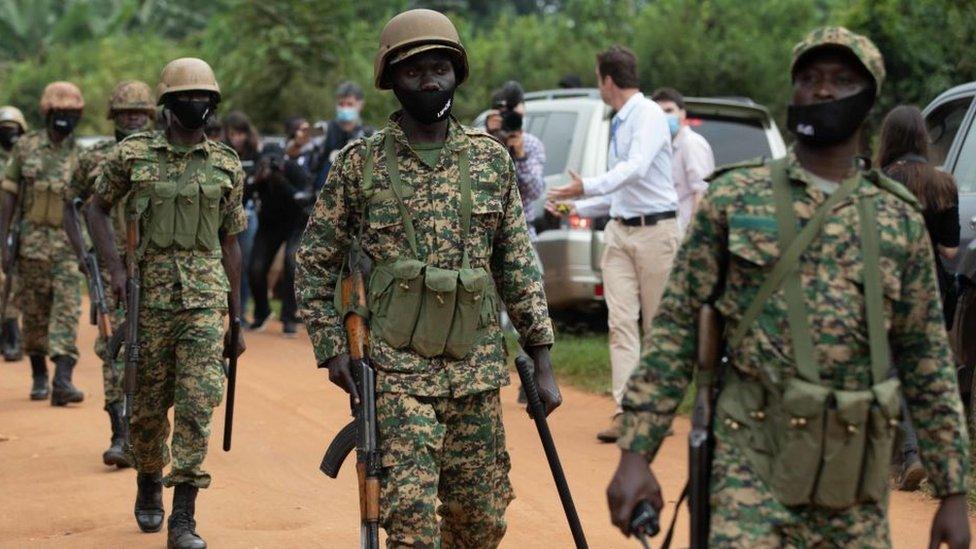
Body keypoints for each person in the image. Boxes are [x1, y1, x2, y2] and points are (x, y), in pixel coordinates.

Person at [606, 27, 971, 548]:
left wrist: (954, 492)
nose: (822, 91)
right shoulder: (736, 200)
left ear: (868, 99)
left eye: (841, 80)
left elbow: (927, 362)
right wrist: (636, 453)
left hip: (853, 488)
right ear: (791, 91)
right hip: (749, 470)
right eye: (809, 79)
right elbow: (674, 333)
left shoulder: (898, 221)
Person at [297, 9, 562, 547]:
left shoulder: (490, 162)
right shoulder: (359, 165)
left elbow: (515, 263)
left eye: (439, 68)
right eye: (414, 71)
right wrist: (332, 349)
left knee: (481, 523)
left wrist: (543, 356)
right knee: (411, 524)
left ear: (457, 74)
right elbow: (315, 261)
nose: (428, 81)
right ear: (392, 80)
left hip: (476, 371)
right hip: (395, 373)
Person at [89, 57, 247, 549]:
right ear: (167, 105)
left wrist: (235, 318)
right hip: (148, 302)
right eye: (185, 99)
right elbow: (95, 208)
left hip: (203, 303)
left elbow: (231, 241)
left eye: (203, 99)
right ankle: (147, 480)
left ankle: (183, 517)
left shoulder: (225, 163)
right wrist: (115, 269)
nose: (195, 106)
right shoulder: (132, 155)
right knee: (148, 411)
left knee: (198, 405)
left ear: (213, 105)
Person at [547, 45, 678, 443]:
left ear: (607, 79)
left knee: (657, 326)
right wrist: (576, 203)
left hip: (657, 232)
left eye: (597, 77)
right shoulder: (620, 120)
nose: (597, 85)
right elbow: (621, 189)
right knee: (621, 324)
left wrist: (585, 184)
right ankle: (625, 410)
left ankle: (656, 411)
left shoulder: (650, 114)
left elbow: (634, 169)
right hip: (621, 231)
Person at [62, 80, 155, 469]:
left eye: (139, 112)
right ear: (113, 116)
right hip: (110, 267)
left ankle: (147, 433)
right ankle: (120, 431)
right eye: (125, 112)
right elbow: (72, 204)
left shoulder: (162, 154)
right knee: (114, 349)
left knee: (153, 353)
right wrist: (84, 253)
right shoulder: (92, 158)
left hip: (156, 267)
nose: (132, 118)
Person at [876, 104, 961, 492]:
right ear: (923, 138)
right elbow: (949, 249)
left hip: (887, 285)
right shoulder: (943, 183)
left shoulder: (879, 181)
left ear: (888, 138)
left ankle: (907, 454)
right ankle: (933, 458)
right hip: (931, 289)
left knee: (891, 366)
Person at [0, 82, 86, 405]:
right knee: (34, 317)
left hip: (68, 247)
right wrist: (5, 242)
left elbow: (91, 205)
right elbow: (9, 195)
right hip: (31, 246)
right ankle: (39, 375)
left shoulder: (82, 155)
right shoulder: (26, 148)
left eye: (72, 113)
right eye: (59, 112)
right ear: (47, 113)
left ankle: (63, 378)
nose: (65, 118)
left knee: (67, 310)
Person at [248, 130, 311, 336]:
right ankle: (262, 312)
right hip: (269, 225)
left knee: (291, 262)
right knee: (256, 268)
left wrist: (282, 182)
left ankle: (289, 316)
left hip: (295, 224)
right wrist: (256, 180)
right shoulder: (258, 174)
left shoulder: (292, 170)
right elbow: (242, 197)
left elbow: (303, 199)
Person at [486, 81, 547, 240]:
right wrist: (490, 137)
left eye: (516, 116)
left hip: (522, 232)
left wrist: (521, 156)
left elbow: (535, 192)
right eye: (506, 116)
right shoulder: (482, 141)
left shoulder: (531, 144)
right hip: (488, 234)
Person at [652, 87, 715, 234]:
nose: (664, 116)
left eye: (669, 111)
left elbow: (701, 193)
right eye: (659, 112)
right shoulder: (660, 146)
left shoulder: (691, 144)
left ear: (682, 113)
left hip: (685, 233)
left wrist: (693, 234)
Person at [223, 110, 260, 327]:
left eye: (240, 133)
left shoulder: (255, 153)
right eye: (232, 133)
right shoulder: (223, 153)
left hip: (248, 214)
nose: (236, 138)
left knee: (241, 265)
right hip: (227, 215)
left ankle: (241, 312)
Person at [310, 81, 375, 191]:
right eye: (341, 104)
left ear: (360, 105)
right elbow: (300, 138)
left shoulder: (371, 134)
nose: (345, 108)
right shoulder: (322, 128)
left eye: (350, 104)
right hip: (322, 195)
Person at [0, 105, 27, 363]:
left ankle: (13, 337)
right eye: (4, 130)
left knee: (13, 284)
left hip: (20, 229)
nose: (9, 134)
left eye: (13, 129)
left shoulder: (26, 158)